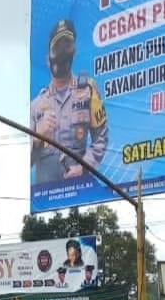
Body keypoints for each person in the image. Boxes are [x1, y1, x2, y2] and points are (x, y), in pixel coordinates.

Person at [30, 19, 109, 184]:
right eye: (57, 48)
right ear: (47, 59)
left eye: (67, 46)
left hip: (79, 192)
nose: (62, 53)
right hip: (45, 197)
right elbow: (23, 163)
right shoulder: (36, 106)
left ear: (74, 50)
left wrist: (84, 167)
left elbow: (101, 137)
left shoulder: (88, 90)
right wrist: (38, 138)